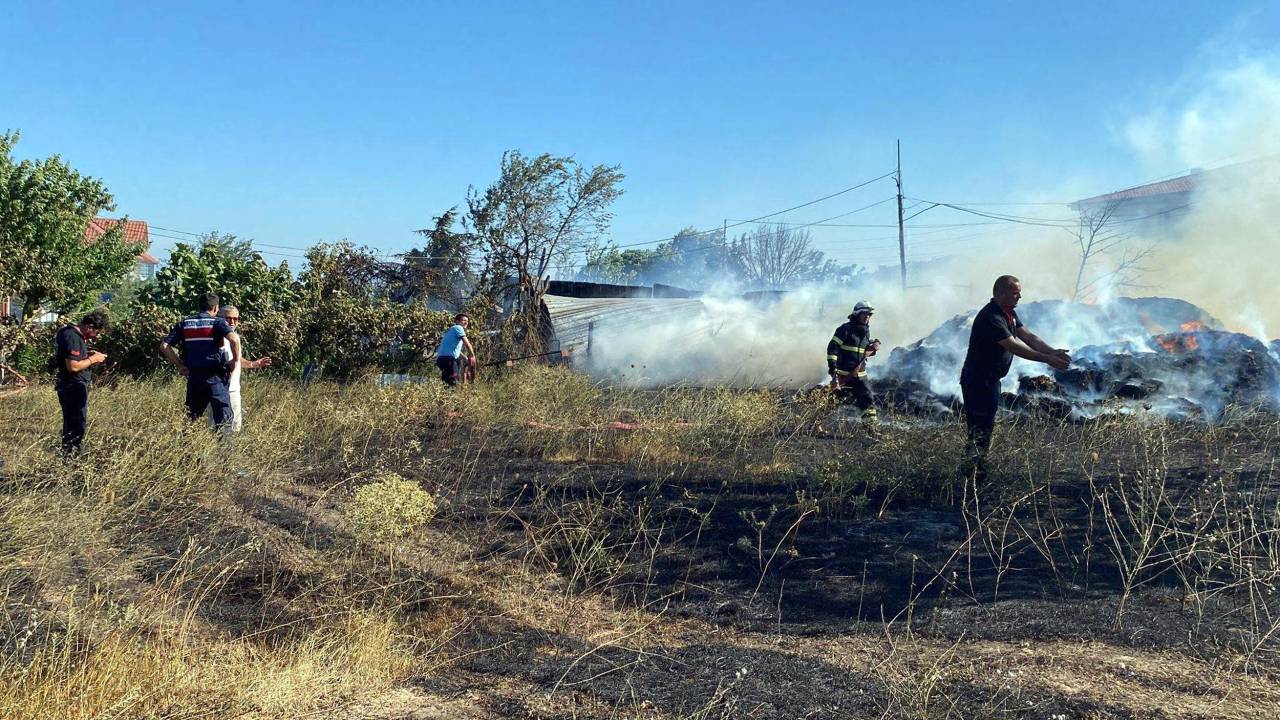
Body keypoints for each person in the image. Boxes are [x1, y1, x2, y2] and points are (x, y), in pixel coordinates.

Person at [959, 275, 1071, 480]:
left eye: (1019, 291)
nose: (1020, 295)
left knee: (986, 426)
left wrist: (1052, 351)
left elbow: (1028, 337)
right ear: (1000, 293)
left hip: (990, 380)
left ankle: (976, 470)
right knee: (979, 428)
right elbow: (1013, 345)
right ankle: (972, 473)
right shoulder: (991, 317)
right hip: (977, 380)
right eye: (1015, 292)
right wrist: (1046, 359)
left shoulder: (1008, 314)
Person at [160, 292, 241, 434]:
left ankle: (188, 452)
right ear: (215, 308)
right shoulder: (217, 322)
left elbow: (165, 346)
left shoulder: (185, 323)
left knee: (192, 417)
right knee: (223, 419)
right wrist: (235, 360)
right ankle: (225, 455)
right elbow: (233, 339)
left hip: (194, 377)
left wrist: (180, 365)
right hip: (215, 376)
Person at [53, 310, 110, 455]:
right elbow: (73, 366)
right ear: (89, 326)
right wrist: (93, 359)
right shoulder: (72, 337)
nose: (96, 336)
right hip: (73, 386)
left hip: (69, 385)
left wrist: (86, 355)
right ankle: (72, 455)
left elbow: (70, 357)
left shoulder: (67, 332)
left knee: (73, 422)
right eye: (96, 332)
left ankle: (70, 453)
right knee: (77, 423)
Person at [208, 305, 272, 433]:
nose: (232, 322)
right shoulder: (213, 337)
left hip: (234, 390)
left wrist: (254, 364)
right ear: (219, 318)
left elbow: (236, 360)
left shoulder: (235, 337)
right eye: (228, 318)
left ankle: (231, 452)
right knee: (215, 428)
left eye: (235, 319)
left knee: (235, 427)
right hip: (217, 389)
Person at [826, 301, 882, 429]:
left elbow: (861, 349)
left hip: (860, 376)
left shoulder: (866, 332)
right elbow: (832, 350)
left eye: (870, 314)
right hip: (843, 376)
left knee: (868, 401)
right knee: (832, 402)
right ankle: (814, 424)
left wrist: (873, 346)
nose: (868, 316)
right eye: (865, 314)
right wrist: (833, 373)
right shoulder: (844, 330)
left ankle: (871, 429)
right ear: (857, 314)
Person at [435, 313, 475, 387]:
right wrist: (472, 356)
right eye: (463, 320)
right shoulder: (458, 328)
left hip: (442, 360)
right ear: (457, 321)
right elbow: (467, 344)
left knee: (447, 383)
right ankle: (453, 396)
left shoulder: (452, 330)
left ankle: (444, 397)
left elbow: (455, 349)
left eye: (467, 321)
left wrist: (465, 358)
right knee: (454, 382)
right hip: (448, 359)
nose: (466, 322)